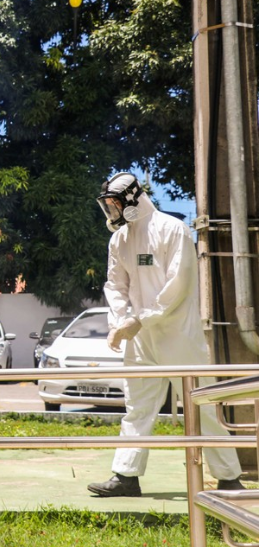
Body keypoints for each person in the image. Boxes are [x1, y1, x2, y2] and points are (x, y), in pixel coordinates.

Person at [86, 172, 243, 497]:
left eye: (115, 203)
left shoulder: (172, 229)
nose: (112, 211)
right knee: (138, 406)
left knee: (200, 405)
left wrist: (140, 319)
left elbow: (178, 285)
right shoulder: (120, 240)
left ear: (132, 198)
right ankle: (126, 477)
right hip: (140, 338)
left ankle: (229, 479)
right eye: (109, 205)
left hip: (178, 335)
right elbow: (115, 284)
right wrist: (121, 321)